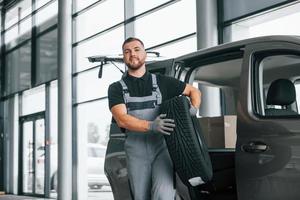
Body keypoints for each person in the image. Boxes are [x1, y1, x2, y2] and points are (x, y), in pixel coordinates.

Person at [108, 37, 201, 200]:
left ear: (144, 54)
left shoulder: (162, 82)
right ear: (124, 57)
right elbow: (122, 119)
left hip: (162, 149)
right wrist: (152, 125)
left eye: (137, 49)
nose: (132, 54)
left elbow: (195, 92)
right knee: (140, 196)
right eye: (127, 51)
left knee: (164, 195)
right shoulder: (116, 88)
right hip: (135, 151)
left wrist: (191, 113)